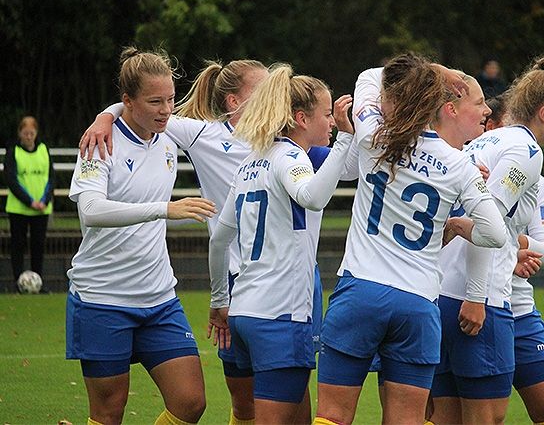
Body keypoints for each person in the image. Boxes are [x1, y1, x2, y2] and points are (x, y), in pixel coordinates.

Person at [79, 58, 338, 425]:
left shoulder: (294, 145)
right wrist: (105, 116)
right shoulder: (202, 135)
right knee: (246, 401)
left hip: (293, 282)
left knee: (291, 395)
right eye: (263, 91)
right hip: (234, 280)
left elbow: (346, 166)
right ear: (234, 102)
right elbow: (142, 108)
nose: (274, 97)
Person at [314, 53, 508, 425]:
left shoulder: (375, 135)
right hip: (418, 304)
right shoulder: (459, 163)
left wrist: (437, 71)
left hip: (361, 292)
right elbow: (495, 234)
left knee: (333, 416)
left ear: (394, 99)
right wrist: (454, 226)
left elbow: (368, 75)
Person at [66, 47, 216, 425]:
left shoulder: (169, 137)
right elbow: (91, 211)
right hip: (102, 298)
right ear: (128, 101)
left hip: (159, 298)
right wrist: (165, 209)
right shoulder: (99, 143)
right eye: (155, 101)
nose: (167, 110)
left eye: (170, 99)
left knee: (190, 402)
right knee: (108, 413)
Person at [207, 63, 354, 424]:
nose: (333, 122)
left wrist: (219, 300)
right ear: (301, 119)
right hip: (280, 316)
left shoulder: (251, 162)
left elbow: (219, 240)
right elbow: (313, 197)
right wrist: (348, 138)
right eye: (326, 114)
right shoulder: (290, 157)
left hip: (244, 313)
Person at [431, 56, 544, 425]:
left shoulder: (482, 141)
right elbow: (486, 223)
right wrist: (478, 297)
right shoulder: (526, 152)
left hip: (441, 294)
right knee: (487, 418)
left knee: (446, 417)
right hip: (481, 299)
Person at [486, 95, 544, 425]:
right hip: (476, 301)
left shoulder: (535, 180)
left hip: (519, 308)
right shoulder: (461, 169)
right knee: (470, 412)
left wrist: (511, 242)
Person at [4, 116, 55, 293]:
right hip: (19, 208)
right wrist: (29, 201)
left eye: (31, 133)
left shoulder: (43, 149)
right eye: (25, 133)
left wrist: (44, 200)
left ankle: (38, 283)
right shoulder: (13, 152)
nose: (28, 137)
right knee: (18, 244)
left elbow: (50, 177)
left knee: (38, 245)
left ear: (36, 133)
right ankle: (18, 283)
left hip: (41, 209)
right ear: (20, 133)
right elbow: (11, 179)